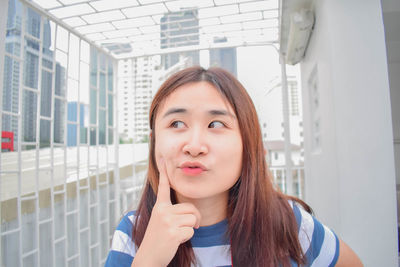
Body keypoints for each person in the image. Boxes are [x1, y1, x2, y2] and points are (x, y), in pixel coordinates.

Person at [105, 66, 363, 267]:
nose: (194, 146)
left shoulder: (288, 222)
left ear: (247, 143)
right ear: (154, 143)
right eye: (176, 124)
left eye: (216, 124)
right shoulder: (133, 232)